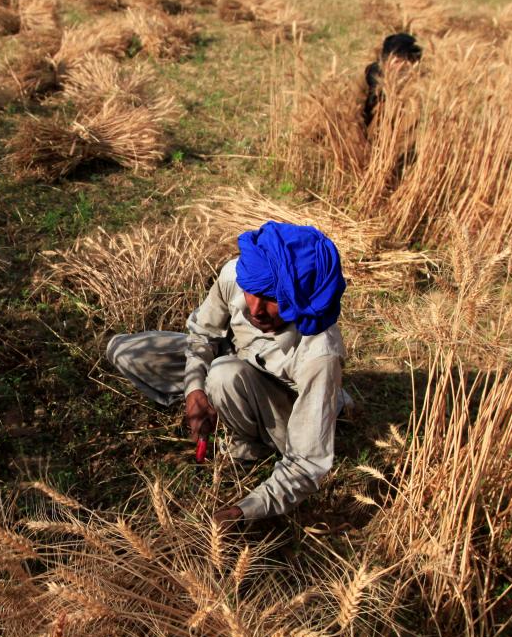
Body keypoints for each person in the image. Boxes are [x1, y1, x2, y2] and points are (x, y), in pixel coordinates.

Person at [106, 221, 348, 526]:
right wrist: (194, 388)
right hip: (232, 363)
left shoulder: (319, 352)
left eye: (273, 299)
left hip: (283, 412)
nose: (256, 310)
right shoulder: (236, 275)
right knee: (124, 351)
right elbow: (202, 334)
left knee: (224, 373)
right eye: (252, 292)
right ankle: (215, 400)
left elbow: (307, 461)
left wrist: (249, 509)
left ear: (299, 296)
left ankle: (249, 445)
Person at [363, 32, 423, 129]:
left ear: (411, 63)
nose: (392, 65)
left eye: (398, 61)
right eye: (389, 59)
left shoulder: (420, 82)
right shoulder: (374, 73)